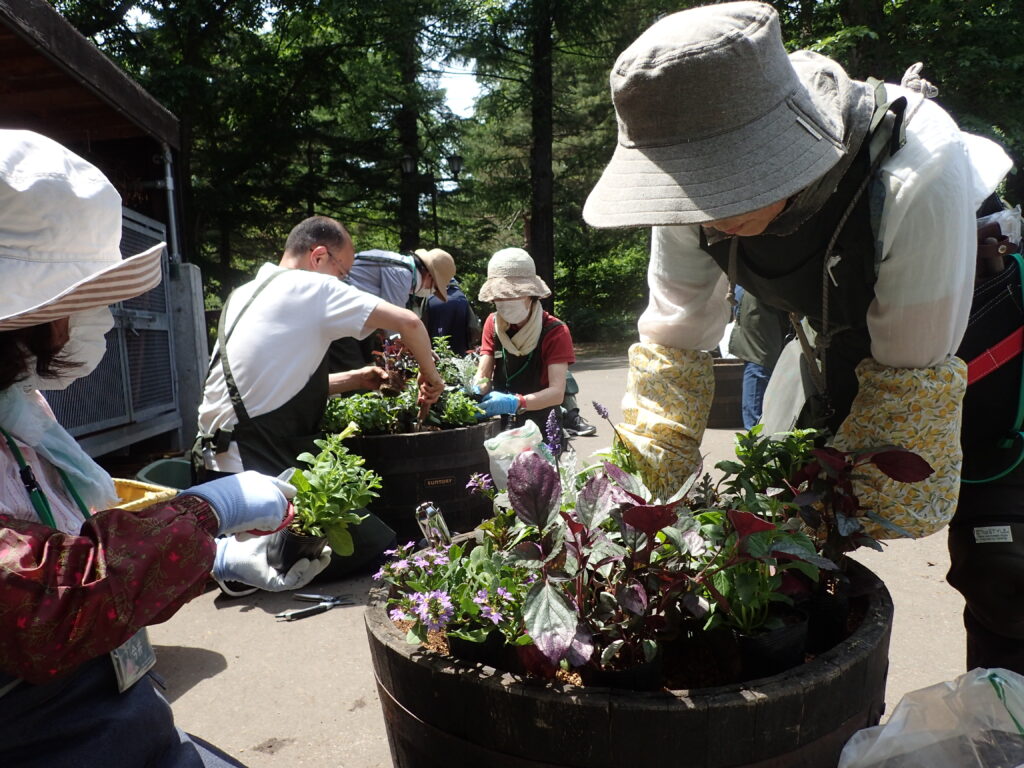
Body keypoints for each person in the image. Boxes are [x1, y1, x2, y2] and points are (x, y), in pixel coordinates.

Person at [582, 3, 1016, 670]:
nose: (706, 218)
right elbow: (673, 346)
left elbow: (903, 410)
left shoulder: (916, 169)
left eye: (722, 190)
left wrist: (795, 526)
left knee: (1003, 563)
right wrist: (634, 517)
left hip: (974, 334)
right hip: (831, 329)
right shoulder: (688, 184)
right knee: (777, 487)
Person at [0, 129, 307, 766]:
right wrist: (206, 515)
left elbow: (63, 532)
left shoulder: (16, 404)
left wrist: (212, 556)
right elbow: (48, 604)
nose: (95, 320)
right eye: (79, 300)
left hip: (106, 703)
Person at [194, 217, 445, 593]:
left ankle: (242, 546)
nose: (343, 284)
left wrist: (356, 379)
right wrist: (432, 377)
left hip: (212, 475)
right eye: (342, 273)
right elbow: (408, 322)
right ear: (318, 256)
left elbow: (272, 387)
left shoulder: (246, 293)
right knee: (374, 546)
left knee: (364, 534)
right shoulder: (308, 287)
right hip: (251, 472)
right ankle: (253, 553)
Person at [473, 248, 577, 434]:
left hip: (544, 424)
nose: (505, 301)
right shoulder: (492, 323)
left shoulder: (555, 331)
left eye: (513, 295)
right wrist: (476, 390)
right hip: (505, 426)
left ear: (530, 294)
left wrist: (517, 402)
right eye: (499, 297)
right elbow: (484, 372)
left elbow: (556, 393)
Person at [329, 247, 456, 371]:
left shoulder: (399, 265)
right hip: (336, 312)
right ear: (429, 276)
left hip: (342, 313)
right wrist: (423, 352)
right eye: (435, 287)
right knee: (356, 375)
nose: (432, 291)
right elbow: (395, 325)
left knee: (363, 367)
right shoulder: (401, 274)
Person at [728, 285, 791, 429]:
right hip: (758, 288)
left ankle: (760, 431)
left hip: (766, 288)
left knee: (764, 361)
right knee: (759, 361)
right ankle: (755, 435)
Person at [422, 276, 481, 356]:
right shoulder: (462, 298)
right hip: (460, 352)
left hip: (436, 353)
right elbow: (474, 328)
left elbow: (422, 326)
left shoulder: (429, 299)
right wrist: (471, 343)